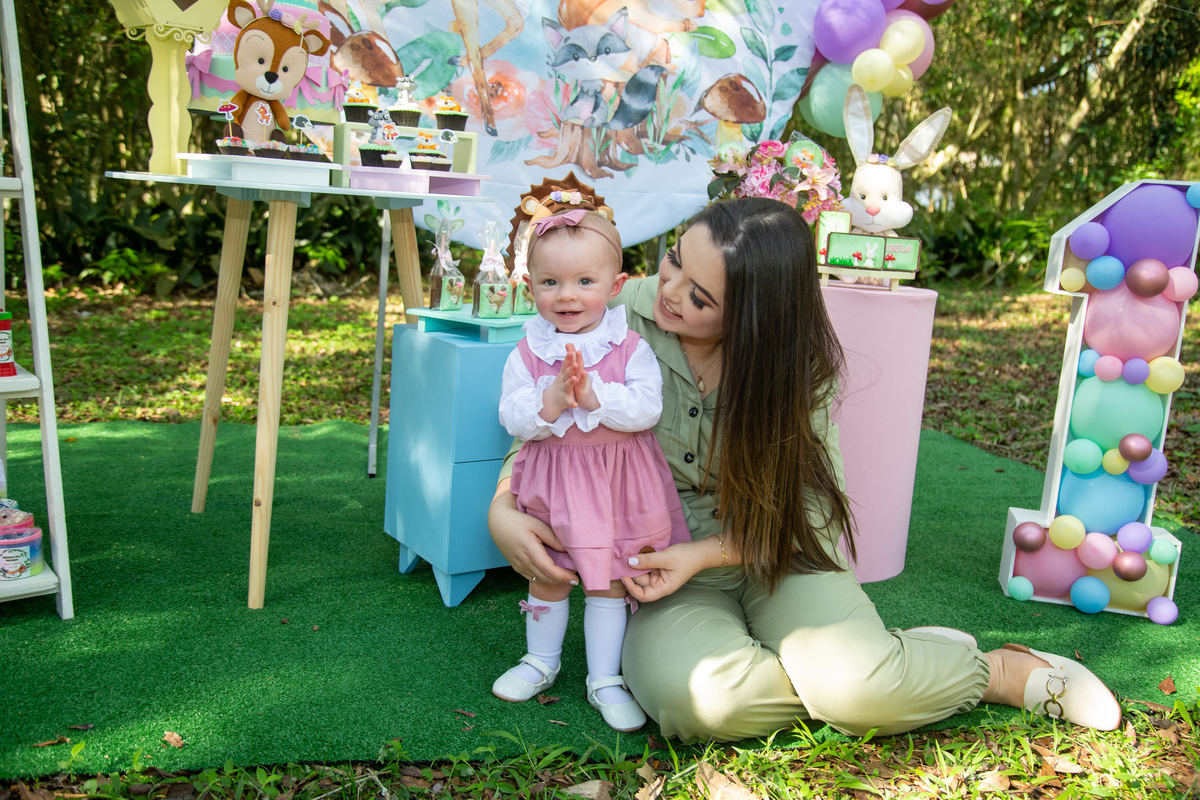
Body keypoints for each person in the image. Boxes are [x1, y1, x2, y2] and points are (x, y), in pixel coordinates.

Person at [488, 196, 1122, 741]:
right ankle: (869, 674)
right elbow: (553, 419)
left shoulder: (793, 367)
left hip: (773, 550)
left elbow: (812, 509)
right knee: (699, 705)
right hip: (660, 559)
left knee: (850, 687)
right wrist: (504, 505)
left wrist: (707, 554)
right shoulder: (613, 309)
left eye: (701, 296)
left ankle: (998, 671)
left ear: (755, 318)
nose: (671, 293)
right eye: (675, 259)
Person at [491, 207, 689, 733]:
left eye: (585, 281)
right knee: (549, 572)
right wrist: (551, 399)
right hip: (553, 481)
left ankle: (604, 678)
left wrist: (594, 393)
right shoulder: (529, 349)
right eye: (551, 282)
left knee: (609, 581)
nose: (567, 296)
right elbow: (511, 413)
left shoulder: (629, 346)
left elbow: (647, 407)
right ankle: (540, 660)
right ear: (530, 285)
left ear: (616, 284)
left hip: (616, 483)